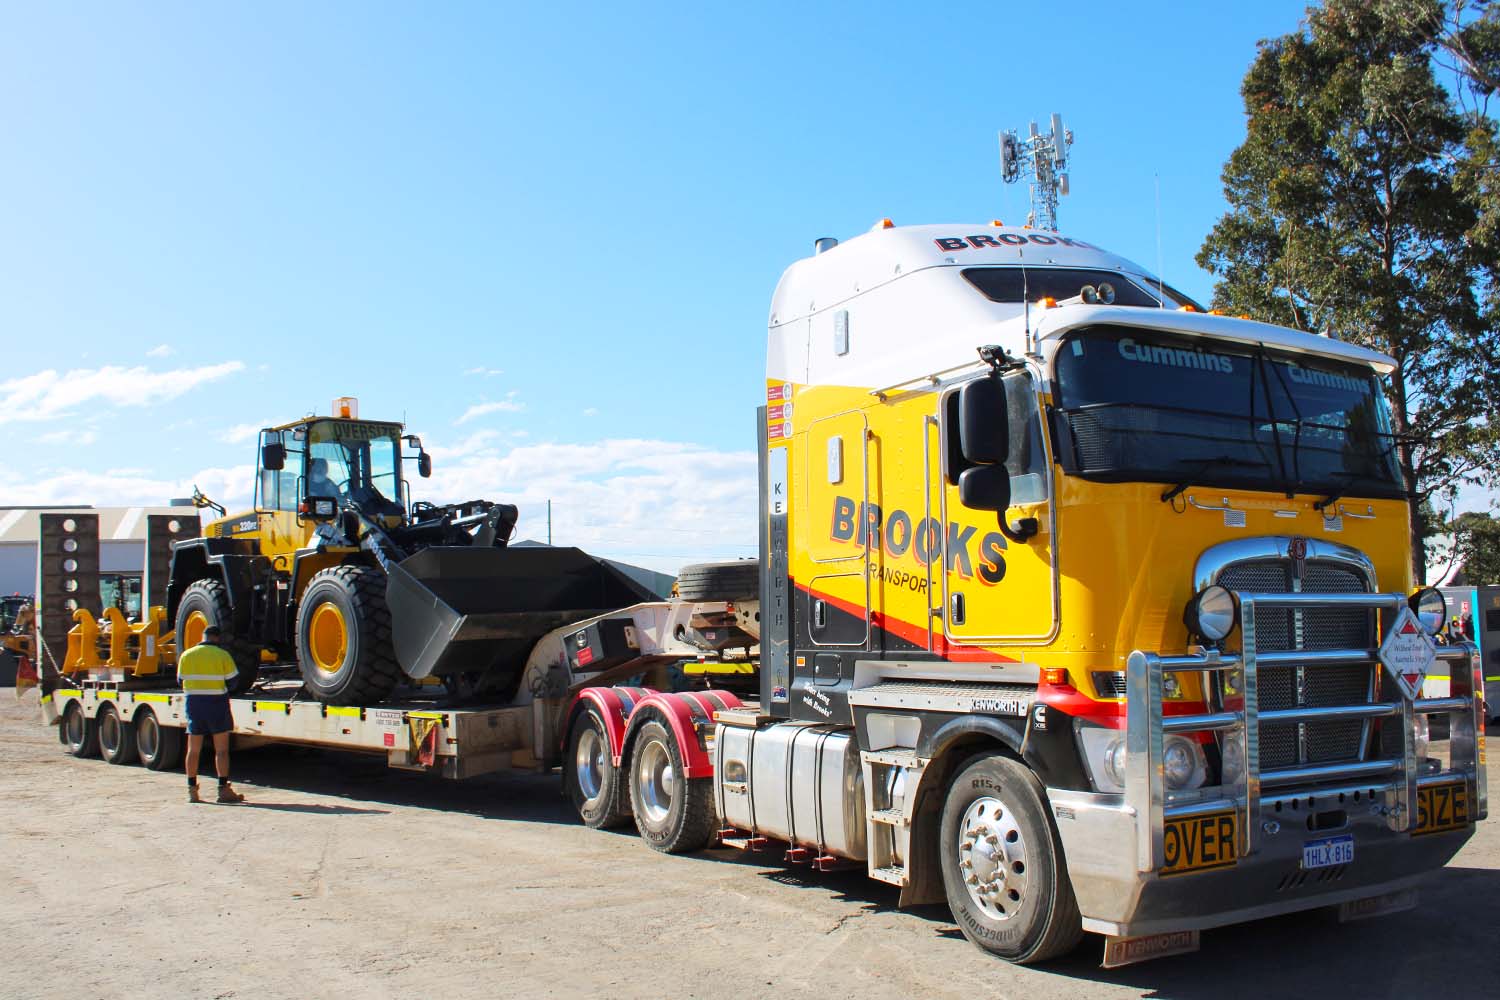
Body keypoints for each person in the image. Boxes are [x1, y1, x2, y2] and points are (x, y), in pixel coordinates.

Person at [176, 625, 245, 804]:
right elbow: (234, 682)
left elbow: (180, 680)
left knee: (193, 750)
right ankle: (223, 790)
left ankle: (192, 790)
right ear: (217, 638)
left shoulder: (186, 655)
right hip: (216, 704)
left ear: (203, 636)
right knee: (221, 750)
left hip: (194, 705)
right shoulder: (222, 655)